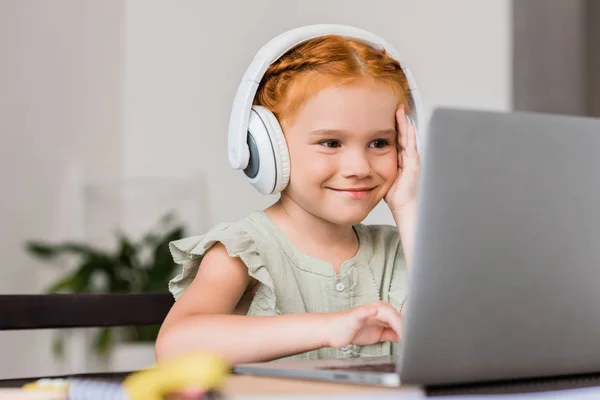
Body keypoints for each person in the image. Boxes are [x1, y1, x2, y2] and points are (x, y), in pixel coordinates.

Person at [155, 26, 422, 365]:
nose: (359, 167)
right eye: (331, 143)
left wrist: (408, 205)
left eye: (380, 143)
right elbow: (175, 345)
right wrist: (328, 327)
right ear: (267, 149)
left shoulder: (404, 249)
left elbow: (458, 344)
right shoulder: (244, 250)